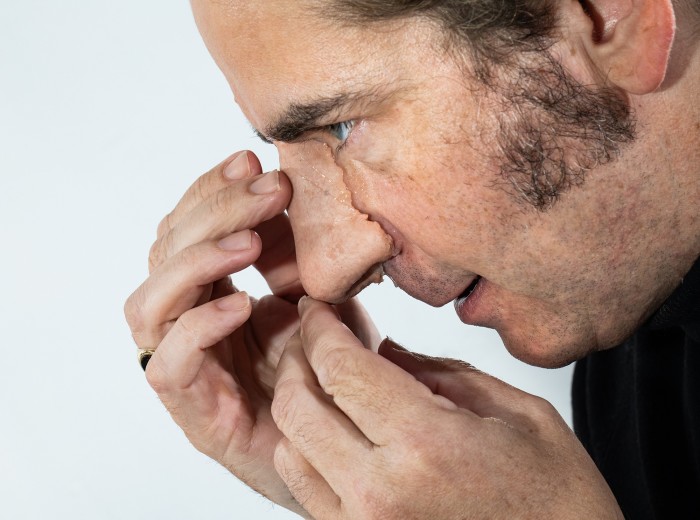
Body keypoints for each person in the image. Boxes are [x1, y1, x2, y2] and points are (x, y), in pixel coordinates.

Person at [124, 0, 700, 518]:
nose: (326, 271)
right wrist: (343, 466)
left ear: (605, 16)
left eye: (342, 128)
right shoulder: (636, 355)